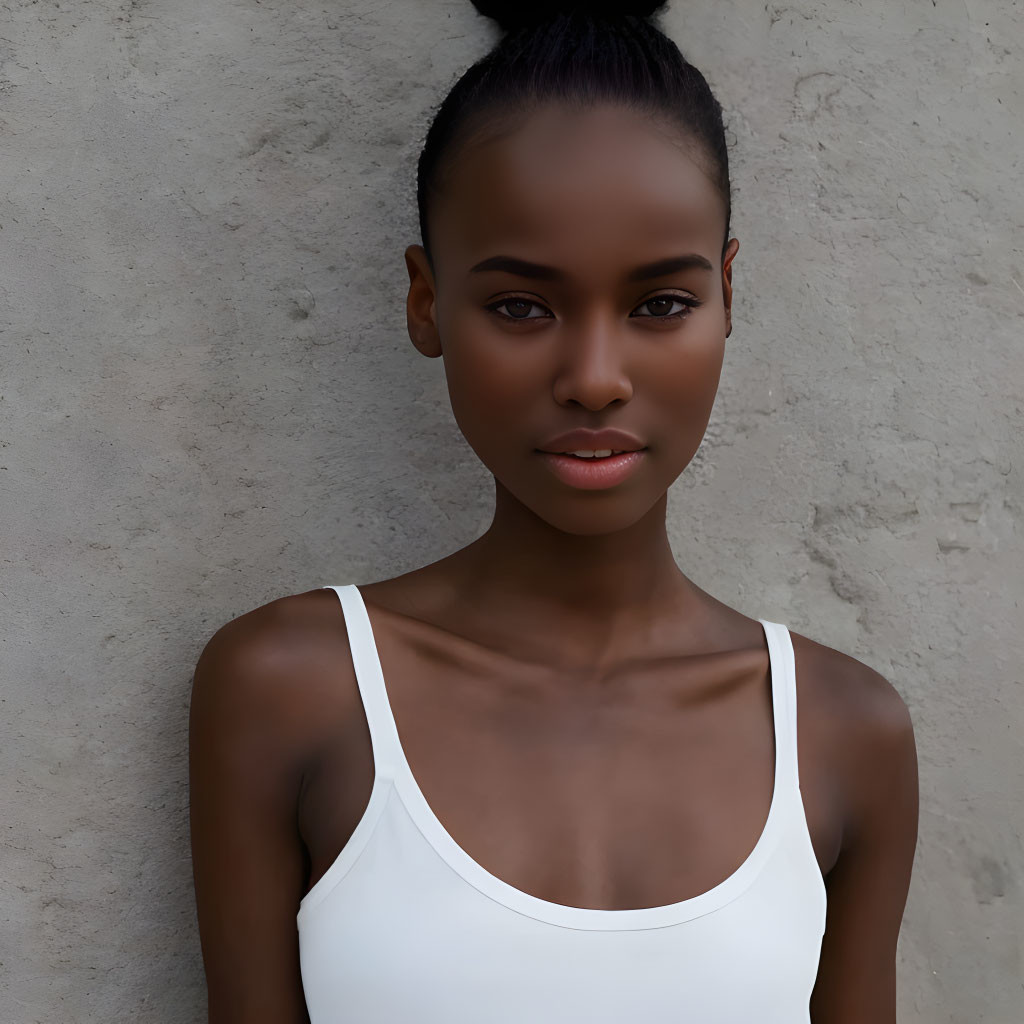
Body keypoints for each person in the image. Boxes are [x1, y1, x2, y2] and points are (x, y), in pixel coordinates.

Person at [188, 2, 919, 1021]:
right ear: (424, 301)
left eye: (660, 303)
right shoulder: (292, 687)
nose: (593, 378)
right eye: (521, 306)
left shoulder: (845, 732)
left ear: (728, 296)